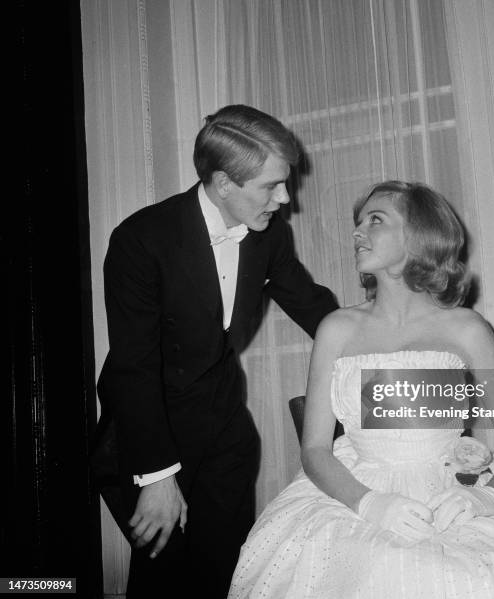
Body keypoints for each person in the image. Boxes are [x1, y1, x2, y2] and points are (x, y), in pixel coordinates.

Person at [229, 181, 494, 598]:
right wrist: (370, 503)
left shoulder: (465, 328)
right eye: (358, 223)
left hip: (455, 491)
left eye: (375, 220)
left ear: (420, 235)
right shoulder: (337, 328)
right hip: (356, 493)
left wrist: (489, 499)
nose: (358, 232)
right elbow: (314, 450)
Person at [95, 104, 338, 598]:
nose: (285, 198)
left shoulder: (270, 236)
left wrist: (385, 337)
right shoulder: (141, 240)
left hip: (225, 428)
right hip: (150, 432)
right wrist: (158, 477)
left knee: (227, 573)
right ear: (224, 183)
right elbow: (134, 367)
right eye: (271, 185)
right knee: (164, 578)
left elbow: (312, 305)